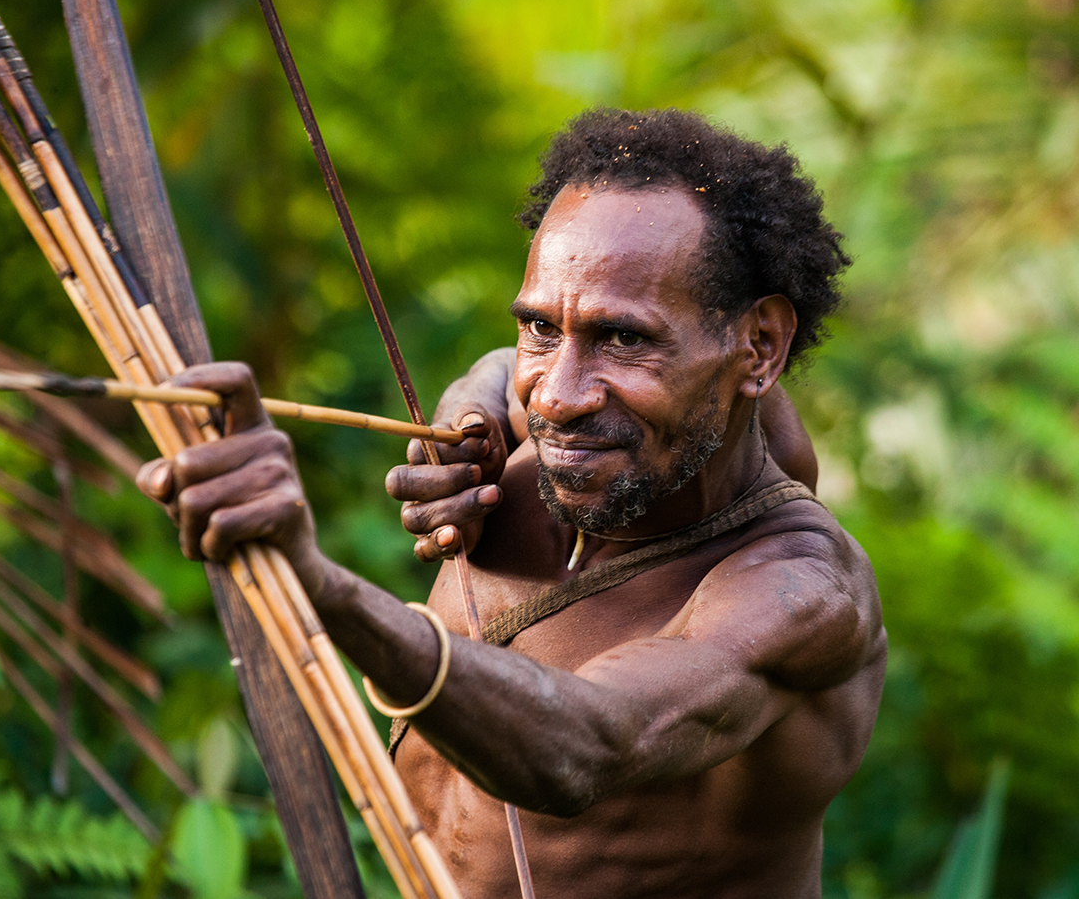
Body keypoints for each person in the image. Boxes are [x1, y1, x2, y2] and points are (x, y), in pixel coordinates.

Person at [137, 108, 886, 898]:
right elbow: (520, 364)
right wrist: (480, 395)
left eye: (623, 339)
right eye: (538, 326)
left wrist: (316, 583)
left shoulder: (798, 591)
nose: (557, 397)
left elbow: (589, 743)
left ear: (758, 347)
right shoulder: (602, 422)